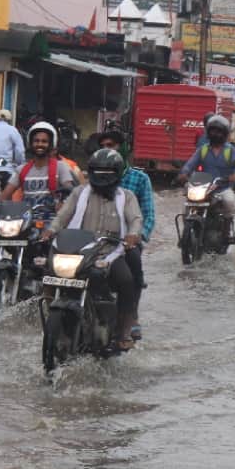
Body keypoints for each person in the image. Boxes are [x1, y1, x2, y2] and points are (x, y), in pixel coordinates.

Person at [45, 148, 143, 351]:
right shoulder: (79, 193)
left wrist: (133, 234)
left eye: (107, 172)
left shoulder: (127, 197)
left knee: (126, 280)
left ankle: (124, 330)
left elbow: (135, 219)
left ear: (117, 173)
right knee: (49, 273)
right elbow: (63, 216)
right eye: (98, 171)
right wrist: (51, 230)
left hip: (109, 252)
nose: (102, 176)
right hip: (79, 251)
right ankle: (53, 319)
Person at [98, 130, 153, 337]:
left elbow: (148, 215)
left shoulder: (140, 179)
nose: (107, 150)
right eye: (103, 146)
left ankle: (131, 315)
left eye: (111, 145)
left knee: (134, 263)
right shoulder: (94, 178)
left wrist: (138, 236)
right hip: (99, 239)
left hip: (127, 240)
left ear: (122, 148)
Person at [176, 115, 235, 227]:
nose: (215, 134)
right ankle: (186, 233)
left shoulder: (230, 151)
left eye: (219, 131)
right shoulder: (203, 149)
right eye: (213, 131)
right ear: (208, 132)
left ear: (224, 133)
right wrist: (183, 174)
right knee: (186, 209)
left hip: (222, 188)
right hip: (202, 188)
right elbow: (190, 164)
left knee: (229, 202)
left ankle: (226, 231)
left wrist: (233, 176)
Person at [0, 121, 78, 207]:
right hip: (27, 214)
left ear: (51, 144)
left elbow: (69, 190)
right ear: (30, 143)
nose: (39, 144)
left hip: (53, 215)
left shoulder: (61, 167)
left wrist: (62, 202)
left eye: (44, 141)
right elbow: (4, 196)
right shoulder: (21, 170)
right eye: (36, 141)